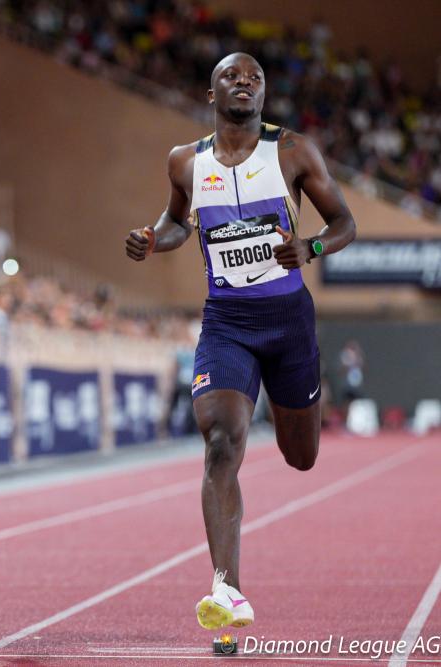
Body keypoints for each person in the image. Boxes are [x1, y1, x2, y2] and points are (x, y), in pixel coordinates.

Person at [125, 53, 356, 630]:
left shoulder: (293, 151)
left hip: (289, 322)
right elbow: (177, 222)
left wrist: (311, 248)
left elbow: (344, 223)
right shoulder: (185, 161)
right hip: (227, 322)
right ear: (212, 93)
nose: (244, 83)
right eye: (232, 76)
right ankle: (226, 592)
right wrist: (153, 238)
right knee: (222, 443)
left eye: (255, 78)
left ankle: (293, 417)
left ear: (264, 93)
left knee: (301, 457)